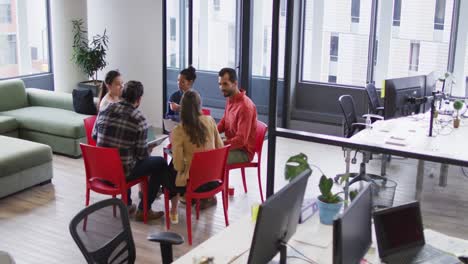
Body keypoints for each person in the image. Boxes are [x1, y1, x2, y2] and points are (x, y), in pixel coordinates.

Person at [93, 80, 167, 221]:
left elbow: (94, 135)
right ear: (139, 100)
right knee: (160, 163)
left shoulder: (105, 109)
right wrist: (148, 147)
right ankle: (144, 209)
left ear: (123, 94)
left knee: (121, 154)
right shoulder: (139, 119)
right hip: (122, 173)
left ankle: (126, 204)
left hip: (101, 171)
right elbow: (141, 155)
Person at [166, 90, 223, 224]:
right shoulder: (210, 121)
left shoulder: (179, 130)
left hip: (194, 183)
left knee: (169, 171)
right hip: (213, 179)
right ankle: (199, 199)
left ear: (182, 108)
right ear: (199, 105)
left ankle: (173, 211)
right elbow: (220, 147)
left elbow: (178, 165)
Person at [217, 67, 257, 165]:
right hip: (231, 144)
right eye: (220, 84)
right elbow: (224, 122)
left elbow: (240, 141)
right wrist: (209, 132)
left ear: (235, 84)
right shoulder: (230, 98)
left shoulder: (245, 107)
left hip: (243, 152)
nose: (222, 88)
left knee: (210, 158)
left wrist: (219, 144)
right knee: (201, 150)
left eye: (225, 84)